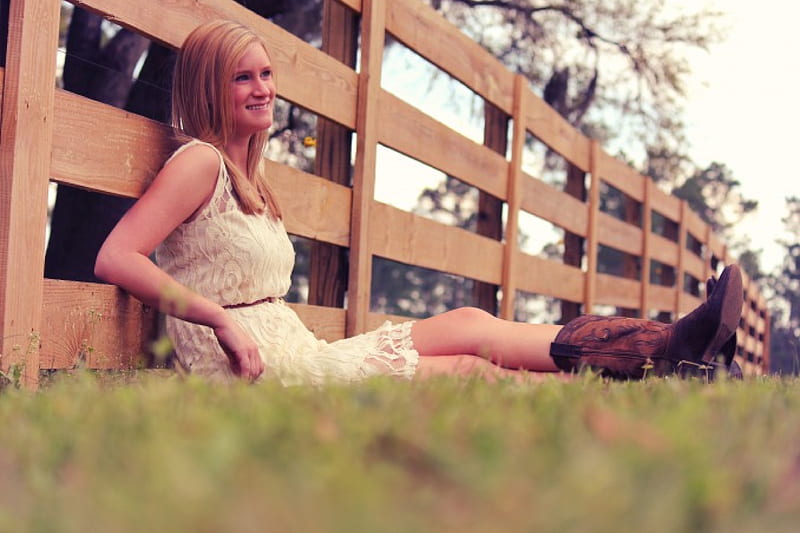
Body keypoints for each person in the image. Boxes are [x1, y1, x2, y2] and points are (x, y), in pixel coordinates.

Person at [94, 20, 743, 386]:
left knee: (465, 319)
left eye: (267, 73)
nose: (263, 88)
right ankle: (642, 384)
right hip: (256, 379)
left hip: (297, 355)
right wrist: (220, 319)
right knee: (463, 365)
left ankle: (668, 348)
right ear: (212, 85)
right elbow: (117, 255)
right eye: (244, 77)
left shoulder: (249, 176)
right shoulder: (199, 162)